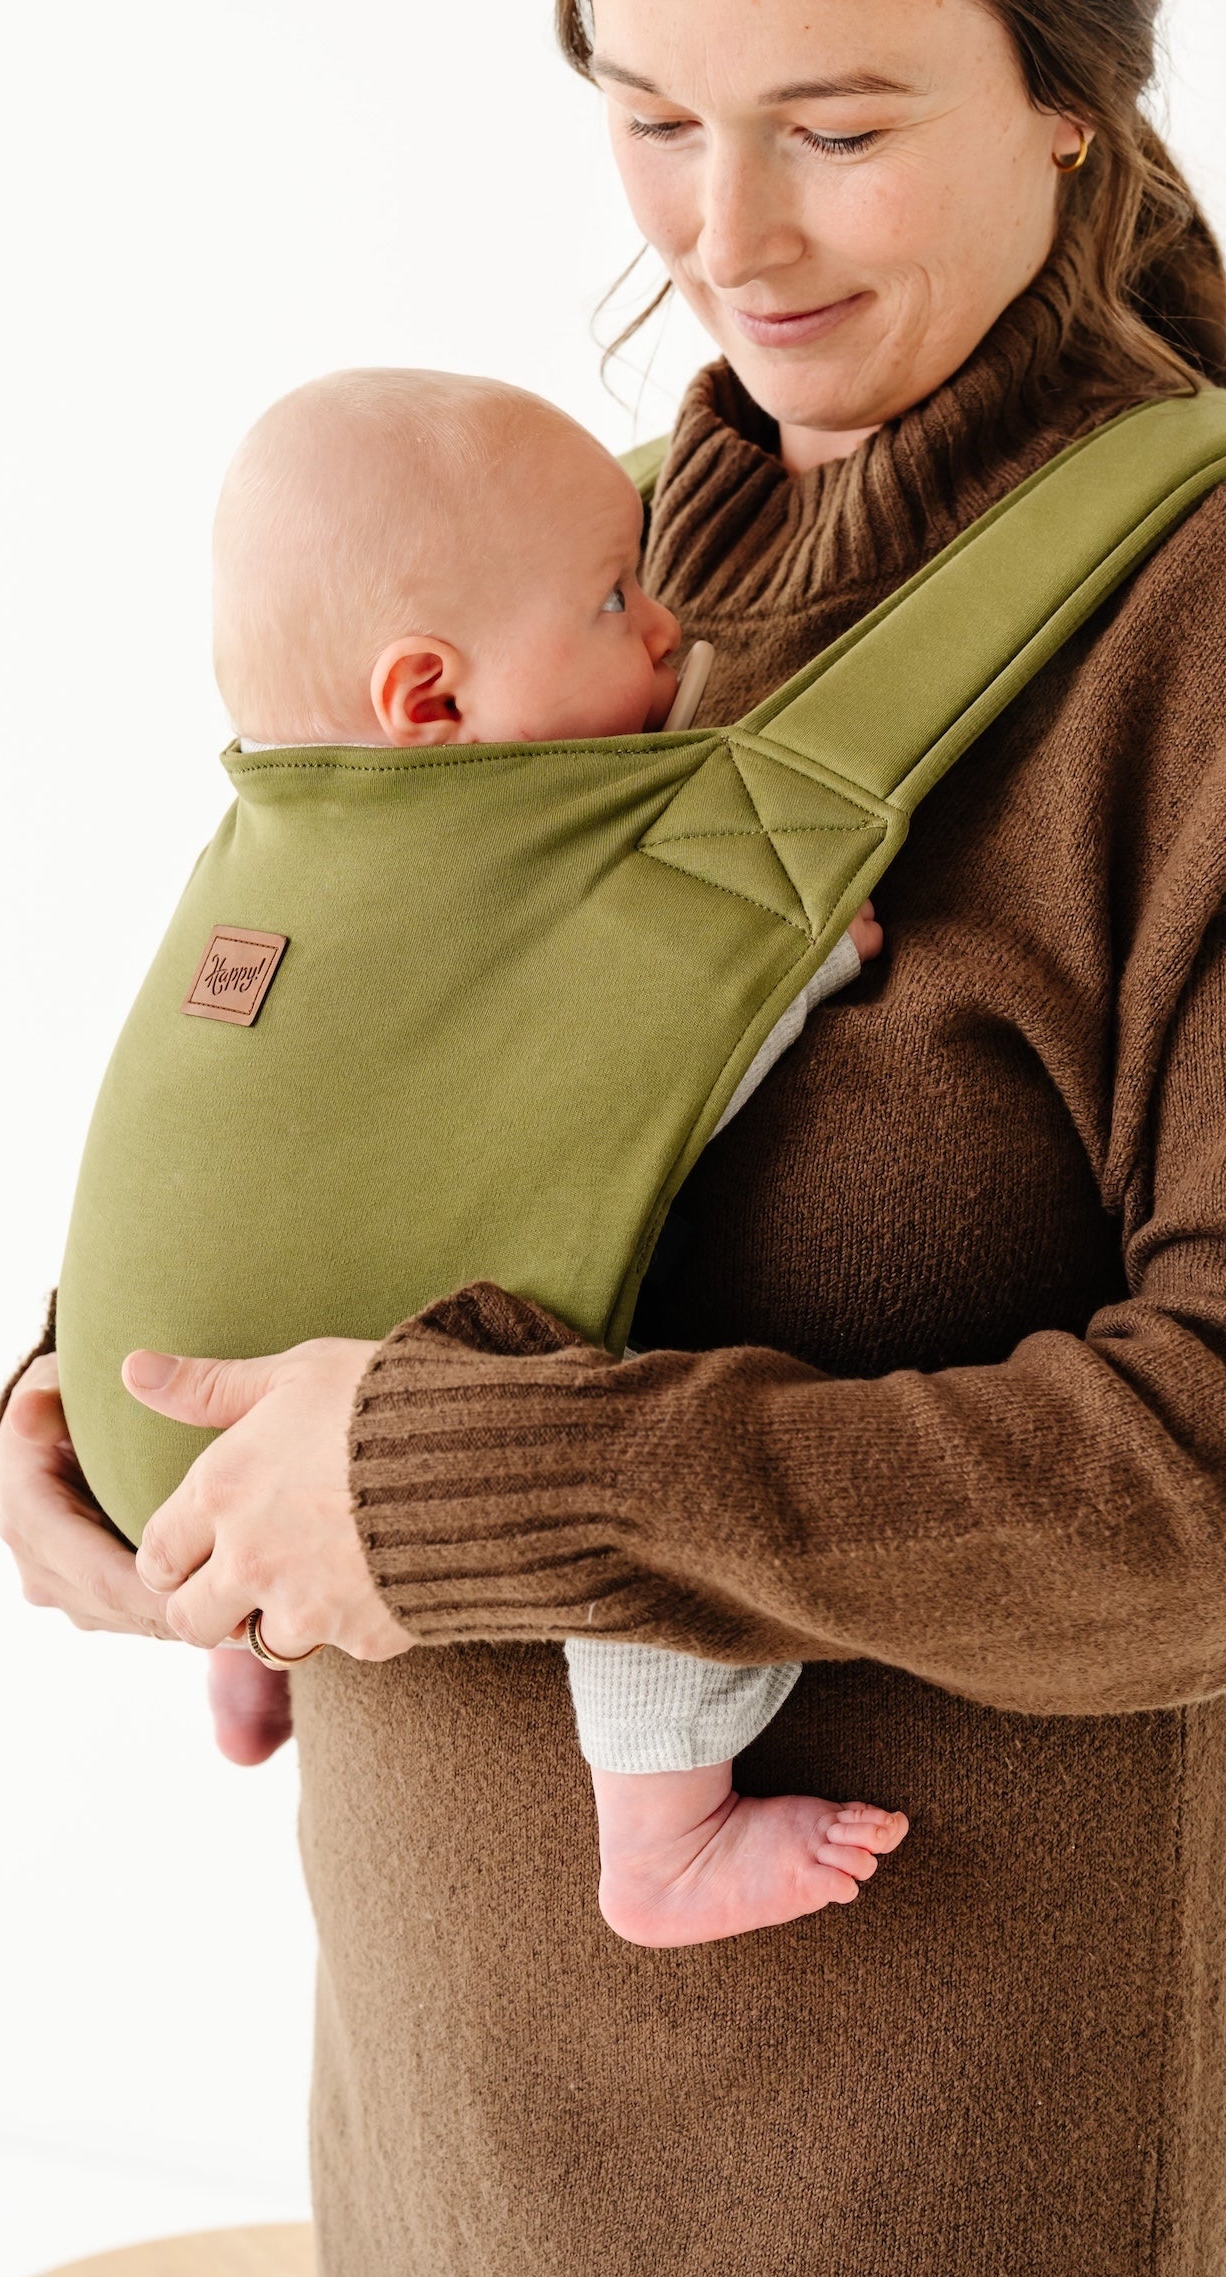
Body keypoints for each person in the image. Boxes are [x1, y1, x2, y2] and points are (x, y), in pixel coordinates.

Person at [0, 0, 1226, 2277]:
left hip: (903, 2272)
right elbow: (418, 1122)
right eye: (648, 113)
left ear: (1069, 84)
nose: (724, 237)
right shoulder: (598, 564)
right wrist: (118, 1423)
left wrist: (466, 1484)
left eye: (835, 127)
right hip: (455, 2195)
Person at [196, 361, 905, 1945]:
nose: (665, 630)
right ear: (430, 701)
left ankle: (243, 1648)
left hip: (188, 1417)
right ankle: (664, 1830)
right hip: (363, 1413)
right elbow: (631, 1092)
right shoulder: (508, 872)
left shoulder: (286, 858)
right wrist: (801, 973)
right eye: (611, 600)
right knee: (611, 1415)